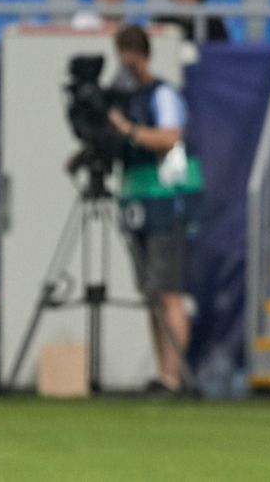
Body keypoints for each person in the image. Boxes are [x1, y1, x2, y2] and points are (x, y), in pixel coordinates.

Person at [107, 25, 203, 395]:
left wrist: (127, 130)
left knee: (168, 290)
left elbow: (169, 136)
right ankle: (163, 373)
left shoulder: (162, 94)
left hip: (167, 198)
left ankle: (173, 375)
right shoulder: (127, 98)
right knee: (151, 291)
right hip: (138, 200)